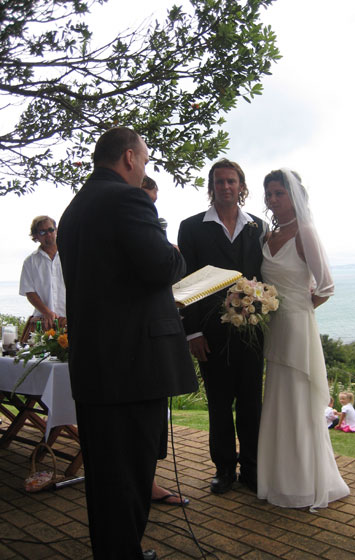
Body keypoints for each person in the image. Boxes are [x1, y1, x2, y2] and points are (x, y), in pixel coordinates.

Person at [57, 127, 198, 560]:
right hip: (133, 365)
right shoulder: (127, 199)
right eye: (146, 159)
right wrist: (172, 250)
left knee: (105, 475)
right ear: (130, 158)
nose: (145, 169)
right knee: (131, 474)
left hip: (96, 363)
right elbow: (162, 265)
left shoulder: (74, 210)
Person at [257, 168, 350, 510]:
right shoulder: (267, 236)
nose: (273, 199)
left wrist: (300, 307)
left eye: (279, 193)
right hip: (273, 327)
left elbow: (326, 285)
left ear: (294, 195)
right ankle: (280, 479)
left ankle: (305, 483)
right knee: (279, 400)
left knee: (298, 401)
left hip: (297, 325)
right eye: (269, 194)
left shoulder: (305, 232)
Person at [178, 158, 266, 494]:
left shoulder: (257, 227)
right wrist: (193, 332)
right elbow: (185, 284)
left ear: (241, 187)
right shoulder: (191, 227)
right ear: (211, 187)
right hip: (209, 333)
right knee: (218, 403)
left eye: (231, 181)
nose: (225, 187)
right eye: (219, 182)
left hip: (252, 331)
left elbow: (265, 278)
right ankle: (224, 469)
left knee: (250, 404)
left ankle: (252, 469)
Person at [141, 175, 188, 507]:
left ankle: (148, 480)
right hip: (141, 335)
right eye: (147, 200)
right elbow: (164, 268)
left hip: (154, 327)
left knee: (155, 417)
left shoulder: (151, 226)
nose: (151, 208)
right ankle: (144, 484)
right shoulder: (134, 222)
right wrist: (174, 255)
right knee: (144, 419)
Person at [19, 215, 66, 341]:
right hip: (42, 323)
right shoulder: (30, 262)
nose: (48, 234)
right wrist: (47, 312)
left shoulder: (69, 256)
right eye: (42, 232)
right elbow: (29, 292)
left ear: (56, 231)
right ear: (35, 236)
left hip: (68, 321)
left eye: (50, 230)